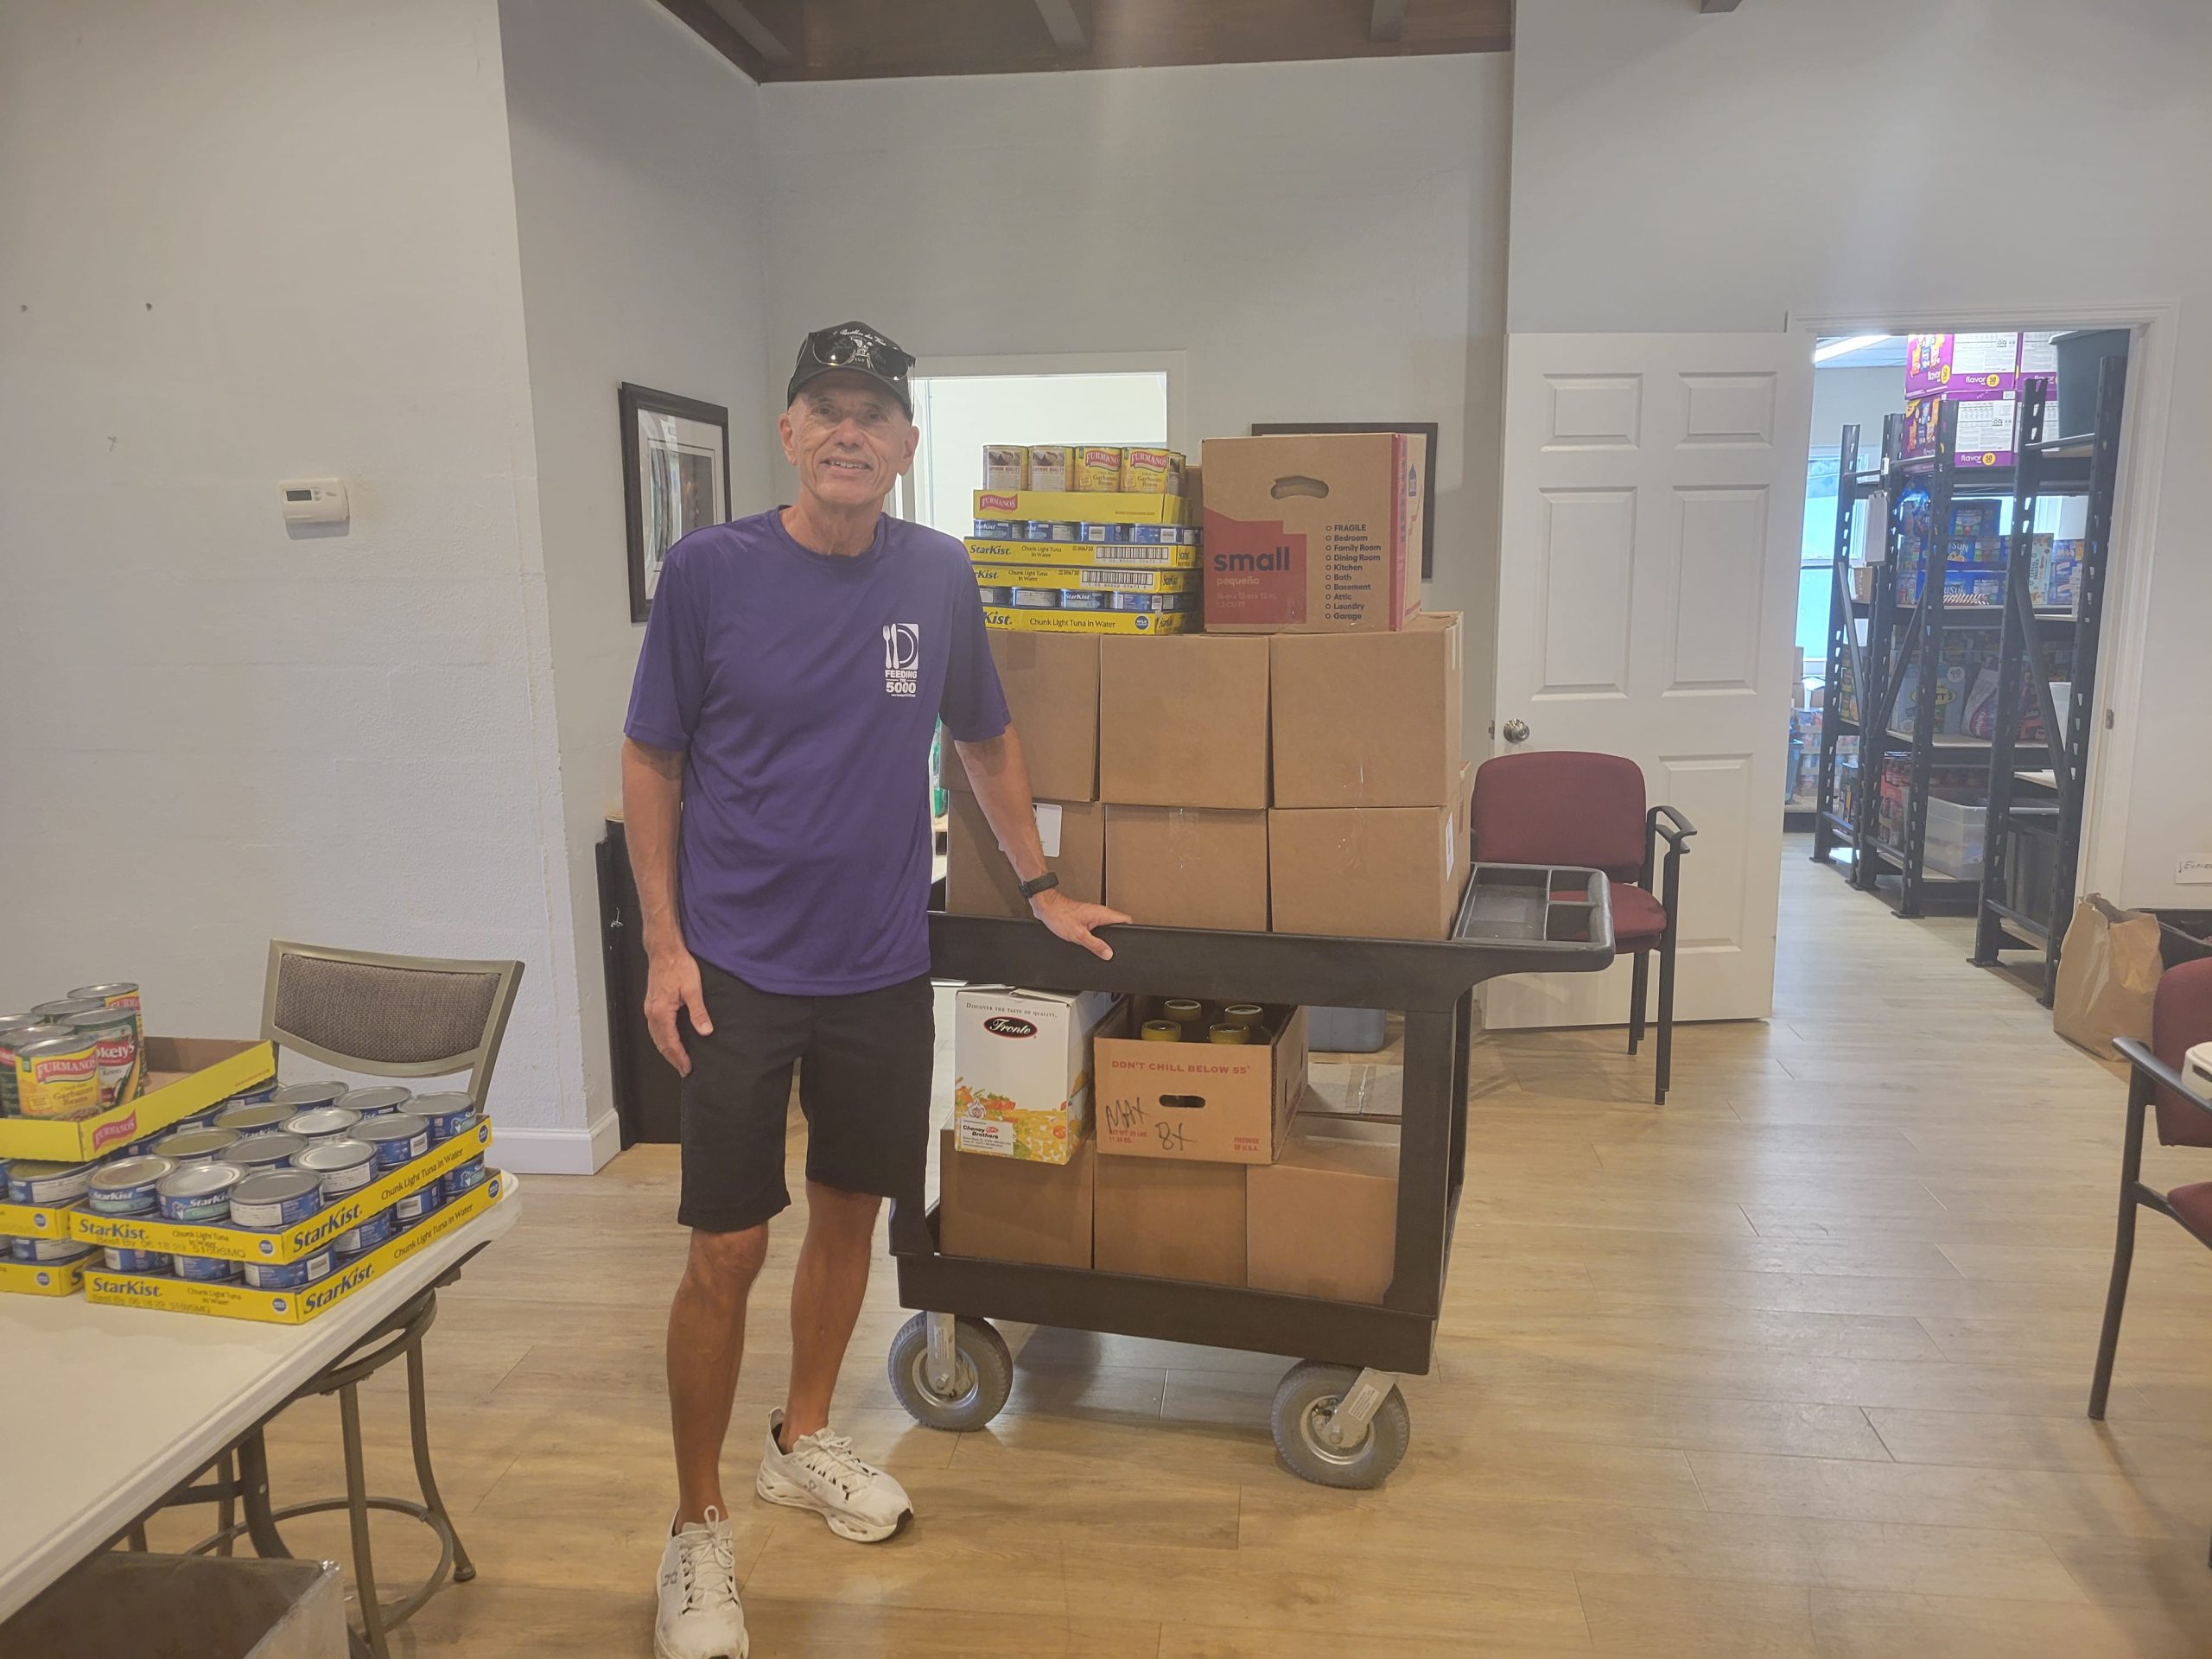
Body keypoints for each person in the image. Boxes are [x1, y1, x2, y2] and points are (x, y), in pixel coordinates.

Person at [623, 321, 1128, 1659]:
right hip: (736, 967)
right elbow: (652, 759)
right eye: (826, 410)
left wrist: (1040, 887)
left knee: (851, 1211)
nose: (850, 432)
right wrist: (665, 946)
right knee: (729, 1247)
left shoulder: (938, 571)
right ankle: (695, 1527)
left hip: (881, 964)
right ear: (790, 432)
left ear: (906, 444)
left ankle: (802, 1440)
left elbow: (983, 737)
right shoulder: (709, 570)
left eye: (875, 414)